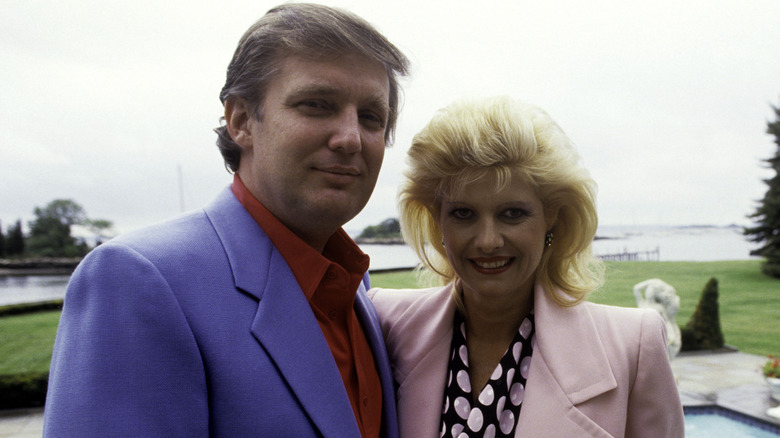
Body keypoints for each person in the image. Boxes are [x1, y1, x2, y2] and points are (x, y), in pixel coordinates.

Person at [44, 4, 409, 437]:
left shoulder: (355, 290)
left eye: (371, 117)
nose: (350, 137)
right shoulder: (139, 281)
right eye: (316, 105)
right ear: (240, 121)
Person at [369, 96, 684, 438]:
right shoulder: (385, 323)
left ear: (552, 216)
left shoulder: (633, 347)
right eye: (463, 213)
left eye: (512, 213)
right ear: (437, 222)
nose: (487, 240)